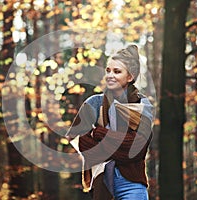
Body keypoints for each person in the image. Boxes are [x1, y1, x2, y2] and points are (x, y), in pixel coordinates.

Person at [65, 45, 154, 200]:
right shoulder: (94, 103)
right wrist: (120, 145)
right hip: (102, 184)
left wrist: (98, 134)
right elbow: (75, 137)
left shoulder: (142, 105)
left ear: (130, 76)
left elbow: (136, 150)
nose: (110, 76)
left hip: (132, 185)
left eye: (117, 71)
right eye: (108, 70)